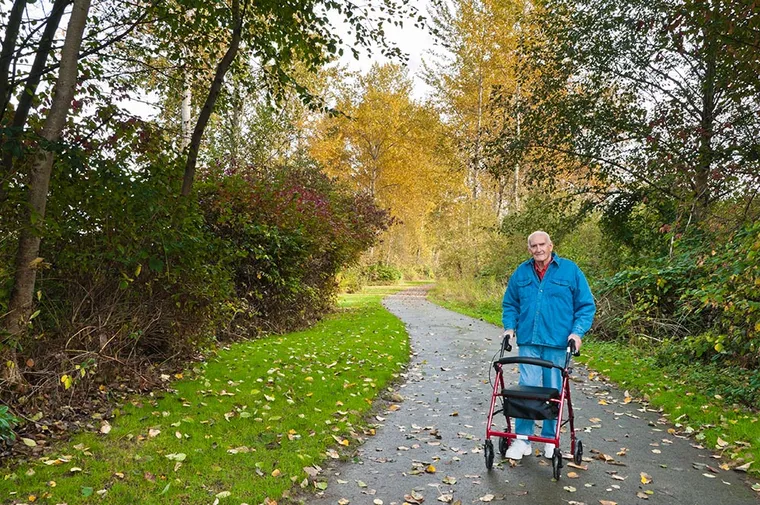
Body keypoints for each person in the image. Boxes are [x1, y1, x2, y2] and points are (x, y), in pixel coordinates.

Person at [501, 230, 596, 460]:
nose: (538, 249)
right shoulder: (521, 273)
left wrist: (577, 333)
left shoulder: (570, 270)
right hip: (529, 342)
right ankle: (522, 440)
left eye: (542, 244)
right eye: (534, 246)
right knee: (527, 390)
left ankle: (550, 440)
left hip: (557, 342)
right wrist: (509, 327)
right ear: (529, 249)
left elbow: (585, 305)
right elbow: (510, 303)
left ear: (551, 245)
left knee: (553, 392)